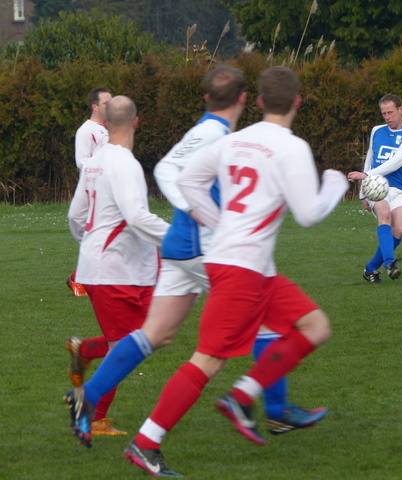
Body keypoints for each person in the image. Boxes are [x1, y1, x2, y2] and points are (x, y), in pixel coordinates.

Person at [64, 65, 327, 450]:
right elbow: (170, 171)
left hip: (181, 251)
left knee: (156, 333)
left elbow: (172, 170)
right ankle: (274, 406)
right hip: (203, 249)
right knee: (263, 318)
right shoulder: (216, 133)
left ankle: (87, 394)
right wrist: (203, 218)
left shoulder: (213, 131)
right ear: (244, 100)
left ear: (208, 98)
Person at [122, 66, 348, 477]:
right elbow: (309, 213)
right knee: (207, 360)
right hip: (241, 269)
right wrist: (335, 183)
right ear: (297, 102)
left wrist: (216, 220)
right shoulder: (291, 147)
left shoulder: (236, 140)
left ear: (259, 102)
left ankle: (244, 394)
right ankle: (145, 442)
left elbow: (189, 181)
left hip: (251, 267)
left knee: (315, 326)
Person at [65, 95, 169, 444]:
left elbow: (76, 217)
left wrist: (89, 247)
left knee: (145, 340)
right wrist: (181, 239)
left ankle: (85, 354)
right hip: (114, 272)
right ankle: (93, 414)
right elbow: (137, 217)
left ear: (105, 123)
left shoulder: (95, 161)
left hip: (117, 268)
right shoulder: (124, 163)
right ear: (136, 122)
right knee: (126, 348)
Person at [347, 94, 402, 283]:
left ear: (400, 110)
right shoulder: (377, 131)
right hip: (376, 187)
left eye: (390, 112)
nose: (387, 117)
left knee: (400, 229)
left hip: (399, 189)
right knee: (385, 215)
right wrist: (363, 191)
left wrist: (366, 175)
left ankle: (371, 268)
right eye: (383, 113)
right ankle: (390, 264)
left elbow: (396, 162)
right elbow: (370, 159)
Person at [67, 87, 112, 297]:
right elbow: (81, 161)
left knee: (105, 237)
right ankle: (79, 279)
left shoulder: (108, 128)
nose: (110, 106)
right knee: (99, 236)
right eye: (106, 103)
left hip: (109, 189)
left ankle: (82, 278)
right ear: (95, 107)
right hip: (94, 190)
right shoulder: (86, 130)